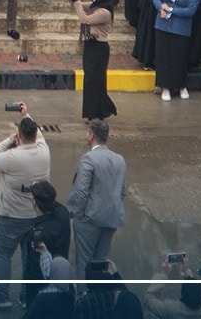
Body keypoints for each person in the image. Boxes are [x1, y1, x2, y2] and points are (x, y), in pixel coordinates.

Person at [0, 108, 50, 309]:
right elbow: (40, 135)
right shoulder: (44, 151)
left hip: (10, 215)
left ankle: (2, 295)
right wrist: (26, 114)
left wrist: (8, 140)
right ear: (35, 134)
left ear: (19, 136)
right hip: (34, 214)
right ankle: (26, 296)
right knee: (29, 257)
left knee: (3, 254)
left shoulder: (11, 157)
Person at [67, 119, 127, 280]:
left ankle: (84, 293)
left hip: (90, 219)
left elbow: (81, 192)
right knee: (101, 263)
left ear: (91, 135)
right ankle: (100, 292)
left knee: (84, 263)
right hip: (111, 219)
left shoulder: (89, 159)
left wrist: (74, 214)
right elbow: (122, 191)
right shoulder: (119, 159)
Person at [154, 0, 201, 102]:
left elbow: (190, 10)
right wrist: (161, 8)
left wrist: (171, 10)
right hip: (162, 25)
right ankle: (165, 87)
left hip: (180, 29)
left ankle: (181, 86)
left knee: (178, 58)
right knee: (163, 57)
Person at [76, 0, 119, 121]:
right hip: (91, 46)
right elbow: (83, 6)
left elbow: (85, 19)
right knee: (91, 80)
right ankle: (94, 112)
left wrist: (76, 2)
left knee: (95, 81)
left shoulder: (104, 12)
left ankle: (97, 112)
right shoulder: (96, 7)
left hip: (98, 49)